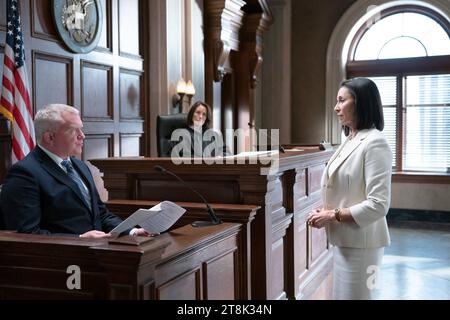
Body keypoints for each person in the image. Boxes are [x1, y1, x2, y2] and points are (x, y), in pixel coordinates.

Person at [0, 104, 150, 238]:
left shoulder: (80, 166)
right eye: (74, 130)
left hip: (98, 251)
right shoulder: (24, 174)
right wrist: (78, 239)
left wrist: (132, 231)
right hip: (62, 260)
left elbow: (101, 215)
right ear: (50, 137)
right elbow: (27, 234)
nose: (82, 136)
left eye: (81, 129)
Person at [307, 78, 392, 300]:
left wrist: (332, 215)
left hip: (363, 244)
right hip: (346, 240)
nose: (336, 107)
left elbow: (379, 204)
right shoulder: (351, 138)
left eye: (341, 100)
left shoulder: (375, 142)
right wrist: (324, 210)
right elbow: (347, 188)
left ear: (361, 103)